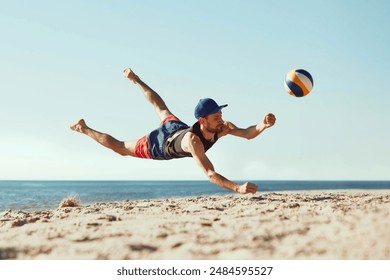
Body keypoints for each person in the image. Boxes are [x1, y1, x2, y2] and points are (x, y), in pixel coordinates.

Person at [71, 68, 276, 194]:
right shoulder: (194, 142)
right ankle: (84, 128)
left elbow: (248, 133)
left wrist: (262, 125)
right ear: (203, 120)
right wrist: (237, 188)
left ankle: (136, 80)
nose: (221, 119)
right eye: (216, 116)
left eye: (220, 114)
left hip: (176, 128)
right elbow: (210, 173)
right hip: (159, 144)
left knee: (162, 109)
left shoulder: (223, 127)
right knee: (121, 148)